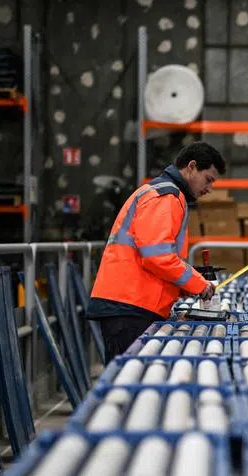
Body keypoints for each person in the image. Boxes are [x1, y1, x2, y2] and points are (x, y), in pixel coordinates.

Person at [87, 142, 225, 362]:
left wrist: (180, 286)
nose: (209, 188)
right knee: (126, 386)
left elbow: (157, 256)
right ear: (191, 167)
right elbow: (157, 257)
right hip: (130, 306)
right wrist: (199, 284)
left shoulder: (164, 194)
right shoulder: (165, 196)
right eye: (208, 179)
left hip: (133, 303)